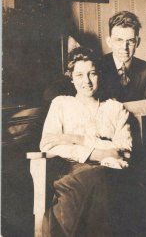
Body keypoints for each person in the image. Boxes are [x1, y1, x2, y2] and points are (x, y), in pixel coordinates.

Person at [40, 47, 132, 237]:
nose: (87, 81)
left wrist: (74, 139)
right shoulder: (61, 104)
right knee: (95, 178)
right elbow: (48, 146)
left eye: (92, 74)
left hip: (111, 172)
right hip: (70, 173)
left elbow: (124, 151)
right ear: (71, 78)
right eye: (79, 75)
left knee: (102, 178)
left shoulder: (115, 108)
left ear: (99, 75)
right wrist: (99, 151)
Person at [101, 10, 146, 119]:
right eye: (119, 40)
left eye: (130, 41)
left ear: (137, 42)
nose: (124, 47)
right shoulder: (98, 66)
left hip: (138, 129)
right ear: (109, 41)